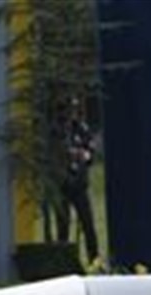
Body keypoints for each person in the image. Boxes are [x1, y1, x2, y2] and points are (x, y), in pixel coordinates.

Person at [54, 96, 99, 263]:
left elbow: (90, 151)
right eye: (69, 110)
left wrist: (85, 155)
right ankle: (64, 261)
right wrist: (70, 154)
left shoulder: (81, 128)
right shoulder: (56, 129)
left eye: (74, 109)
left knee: (88, 224)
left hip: (80, 184)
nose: (72, 113)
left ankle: (94, 260)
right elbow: (56, 150)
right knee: (63, 226)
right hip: (63, 184)